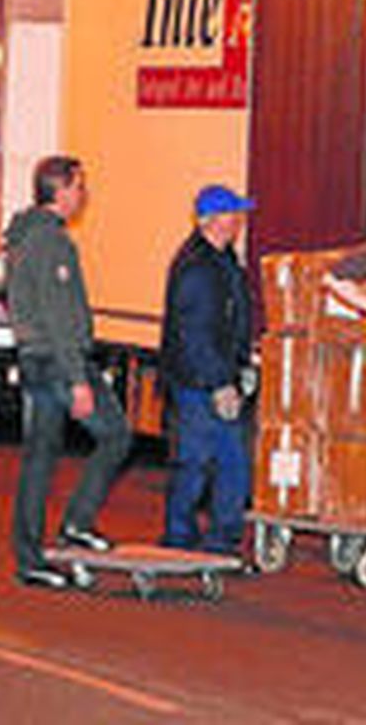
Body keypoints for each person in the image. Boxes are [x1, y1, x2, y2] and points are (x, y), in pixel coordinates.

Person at [6, 155, 131, 589]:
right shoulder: (51, 243)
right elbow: (59, 315)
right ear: (58, 191)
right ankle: (77, 522)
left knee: (40, 458)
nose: (84, 195)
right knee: (116, 435)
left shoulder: (22, 237)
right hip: (59, 362)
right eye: (79, 186)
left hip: (35, 359)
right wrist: (78, 379)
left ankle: (30, 558)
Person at [159, 185, 260, 556]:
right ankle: (180, 536)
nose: (239, 221)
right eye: (234, 214)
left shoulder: (225, 262)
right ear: (211, 221)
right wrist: (220, 383)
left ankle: (221, 540)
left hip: (217, 377)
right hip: (199, 383)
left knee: (230, 461)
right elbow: (195, 334)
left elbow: (232, 322)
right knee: (197, 461)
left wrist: (244, 363)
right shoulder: (197, 269)